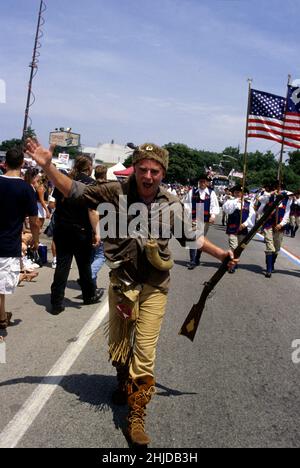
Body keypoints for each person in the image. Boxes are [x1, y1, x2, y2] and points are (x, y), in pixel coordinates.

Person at [26, 139, 238, 447]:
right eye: (143, 169)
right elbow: (75, 191)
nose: (148, 176)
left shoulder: (171, 204)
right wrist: (47, 165)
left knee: (145, 350)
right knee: (120, 342)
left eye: (155, 171)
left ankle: (136, 415)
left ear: (162, 173)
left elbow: (192, 238)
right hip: (122, 284)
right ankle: (123, 379)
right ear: (135, 170)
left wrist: (221, 254)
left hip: (155, 287)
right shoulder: (115, 193)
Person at [50, 155, 103, 314]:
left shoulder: (64, 180)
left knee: (62, 265)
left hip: (62, 228)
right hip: (81, 230)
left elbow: (53, 203)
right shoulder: (92, 184)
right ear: (89, 167)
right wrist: (97, 232)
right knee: (84, 265)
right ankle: (89, 296)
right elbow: (92, 211)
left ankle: (56, 302)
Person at [0, 148, 39, 330]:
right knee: (2, 286)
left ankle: (2, 316)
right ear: (22, 164)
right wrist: (36, 239)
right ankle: (1, 319)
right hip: (8, 244)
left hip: (8, 243)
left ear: (4, 163)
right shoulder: (26, 189)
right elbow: (34, 221)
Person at [184, 173, 220, 269]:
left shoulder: (211, 193)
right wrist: (187, 216)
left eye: (204, 181)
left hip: (205, 219)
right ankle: (192, 260)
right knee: (192, 238)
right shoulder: (192, 191)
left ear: (207, 183)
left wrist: (213, 215)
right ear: (198, 182)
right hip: (195, 218)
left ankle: (197, 258)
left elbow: (214, 205)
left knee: (200, 239)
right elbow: (187, 204)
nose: (202, 183)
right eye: (200, 181)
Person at [258, 181, 292, 278]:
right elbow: (261, 202)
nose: (278, 190)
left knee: (276, 248)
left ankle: (272, 263)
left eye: (280, 188)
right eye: (276, 188)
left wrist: (281, 224)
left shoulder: (287, 199)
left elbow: (287, 213)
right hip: (268, 224)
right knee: (270, 247)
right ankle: (268, 269)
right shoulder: (269, 196)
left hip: (279, 226)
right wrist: (269, 194)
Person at [222, 185, 256, 273]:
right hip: (232, 228)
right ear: (233, 193)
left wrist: (245, 224)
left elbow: (252, 216)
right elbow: (227, 210)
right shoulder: (230, 202)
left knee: (240, 248)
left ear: (243, 193)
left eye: (239, 192)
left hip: (243, 229)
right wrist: (235, 202)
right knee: (234, 246)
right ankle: (232, 264)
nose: (238, 194)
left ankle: (234, 260)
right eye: (236, 192)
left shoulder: (249, 204)